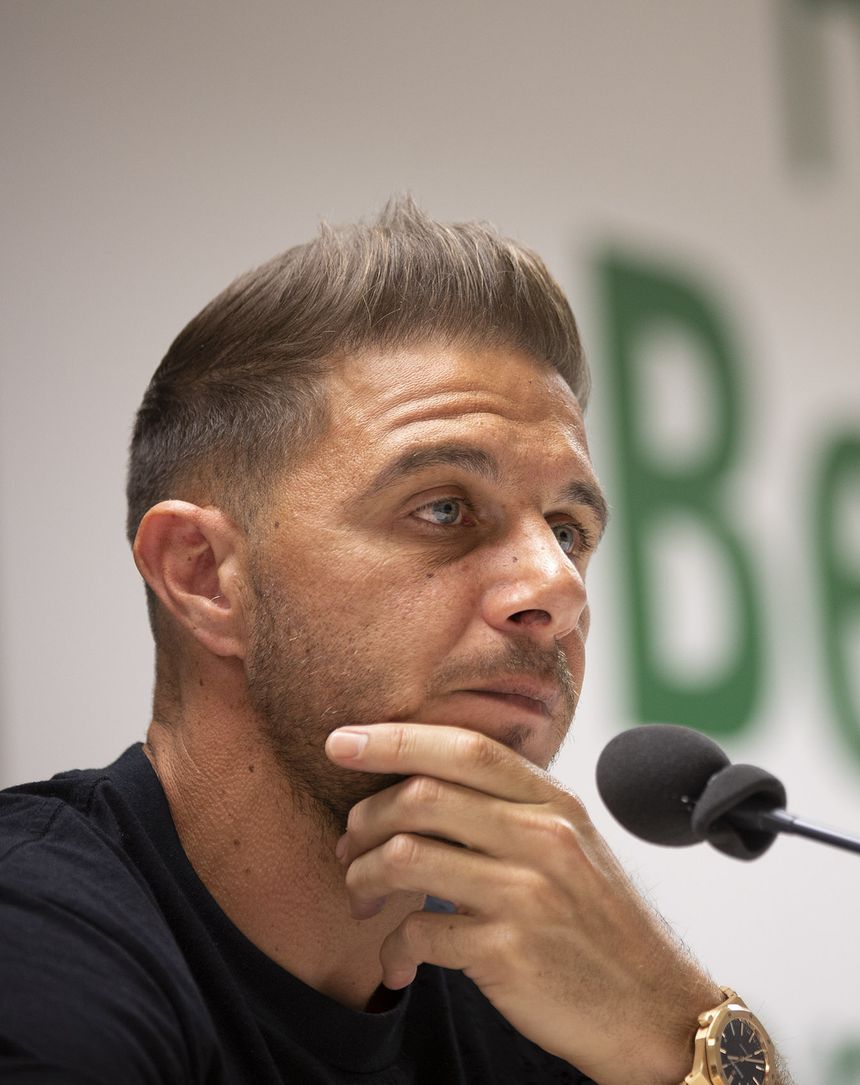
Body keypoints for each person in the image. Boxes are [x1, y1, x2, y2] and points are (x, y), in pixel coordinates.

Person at [0, 199, 785, 1084]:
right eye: (444, 508)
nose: (558, 587)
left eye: (568, 531)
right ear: (203, 574)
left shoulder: (547, 994)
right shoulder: (36, 949)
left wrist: (673, 1033)